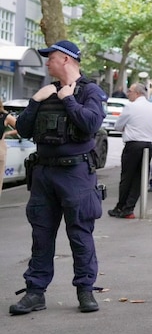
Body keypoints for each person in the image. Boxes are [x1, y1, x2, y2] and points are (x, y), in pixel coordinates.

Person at [8, 40, 106, 315]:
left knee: (80, 234)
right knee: (41, 235)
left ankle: (86, 291)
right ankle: (35, 292)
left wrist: (68, 99)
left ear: (64, 59)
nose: (46, 62)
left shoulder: (90, 91)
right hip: (44, 173)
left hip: (76, 174)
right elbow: (26, 129)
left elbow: (90, 124)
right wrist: (36, 100)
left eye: (50, 58)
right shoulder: (45, 91)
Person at [109, 83, 152, 219]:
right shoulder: (151, 106)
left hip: (133, 144)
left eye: (129, 91)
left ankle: (120, 207)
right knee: (139, 178)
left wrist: (127, 128)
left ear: (137, 93)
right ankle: (129, 208)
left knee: (127, 177)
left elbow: (118, 126)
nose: (127, 93)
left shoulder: (131, 106)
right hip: (148, 144)